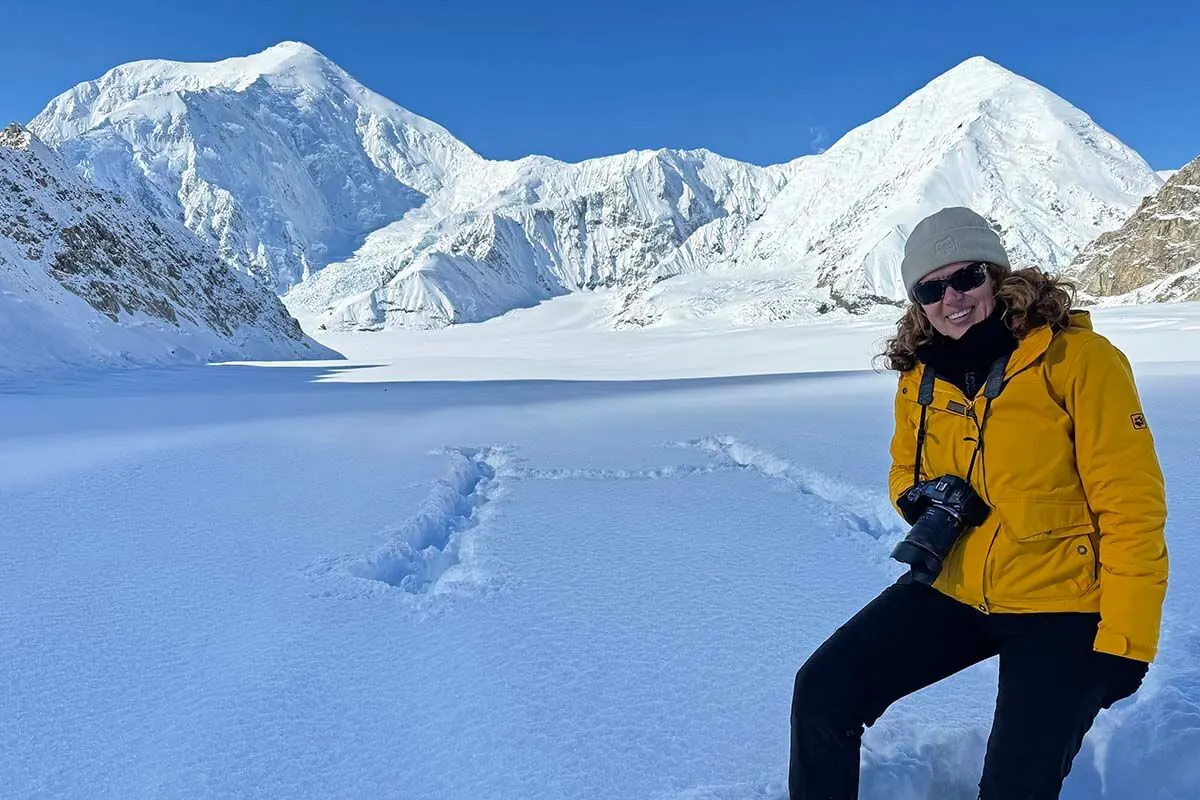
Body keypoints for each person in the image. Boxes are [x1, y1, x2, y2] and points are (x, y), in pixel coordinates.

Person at [788, 206, 1170, 799]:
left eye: (968, 277)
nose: (953, 298)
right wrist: (924, 500)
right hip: (958, 586)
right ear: (918, 300)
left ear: (998, 277)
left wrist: (1126, 641)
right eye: (932, 288)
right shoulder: (920, 376)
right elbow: (902, 473)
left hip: (1062, 604)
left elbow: (1132, 507)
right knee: (822, 691)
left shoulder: (1079, 362)